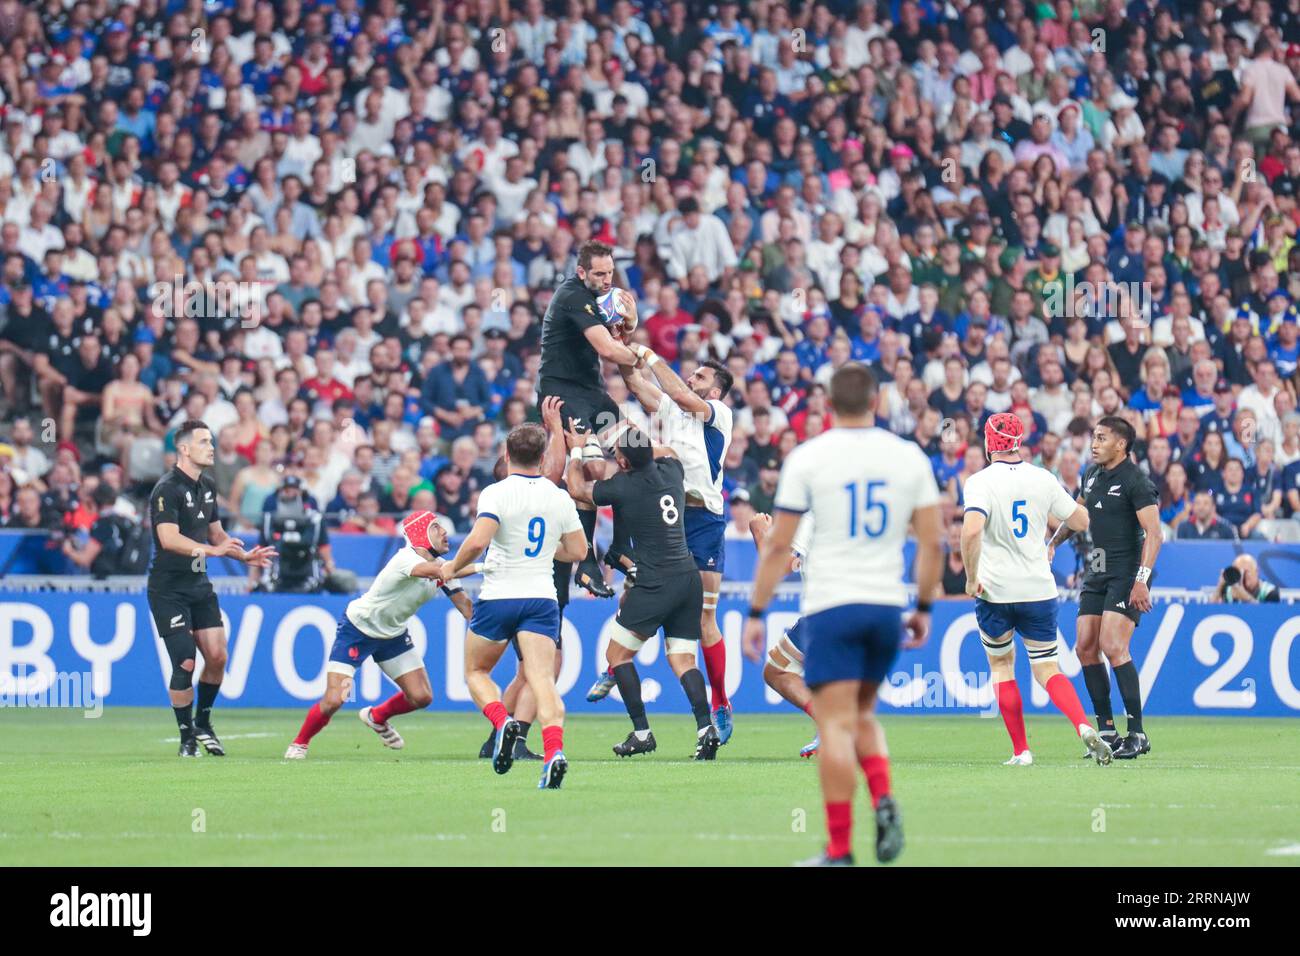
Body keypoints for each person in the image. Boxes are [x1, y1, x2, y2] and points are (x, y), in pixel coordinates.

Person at [743, 364, 943, 866]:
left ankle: (838, 849)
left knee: (834, 727)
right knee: (863, 715)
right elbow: (932, 543)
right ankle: (884, 800)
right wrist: (921, 607)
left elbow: (780, 547)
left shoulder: (809, 459)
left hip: (831, 608)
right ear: (877, 401)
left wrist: (755, 610)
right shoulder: (908, 457)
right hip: (883, 608)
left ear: (828, 403)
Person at [588, 343, 737, 741]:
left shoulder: (718, 414)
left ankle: (720, 700)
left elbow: (680, 394)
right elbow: (637, 384)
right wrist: (620, 350)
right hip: (671, 513)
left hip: (704, 517)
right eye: (693, 374)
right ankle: (616, 664)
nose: (692, 378)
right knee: (634, 589)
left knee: (705, 617)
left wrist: (649, 354)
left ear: (717, 391)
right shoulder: (674, 408)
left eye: (701, 377)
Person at [436, 422, 588, 789]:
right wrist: (547, 549)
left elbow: (477, 541)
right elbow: (580, 551)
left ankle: (502, 721)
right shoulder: (558, 497)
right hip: (540, 597)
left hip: (500, 595)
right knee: (542, 679)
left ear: (506, 455)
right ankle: (553, 752)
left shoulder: (496, 493)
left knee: (476, 671)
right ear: (541, 457)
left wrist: (450, 567)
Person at [959, 413, 1111, 766]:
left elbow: (970, 532)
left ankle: (1021, 751)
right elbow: (1080, 520)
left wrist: (970, 578)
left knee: (1002, 667)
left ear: (989, 443)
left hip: (995, 591)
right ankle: (1084, 727)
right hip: (1039, 589)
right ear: (1018, 441)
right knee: (1047, 669)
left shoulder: (979, 482)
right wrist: (1051, 539)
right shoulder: (1043, 478)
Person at [563, 421, 721, 759]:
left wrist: (577, 448)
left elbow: (577, 489)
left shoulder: (624, 486)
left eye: (617, 454)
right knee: (682, 659)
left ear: (622, 462)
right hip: (687, 576)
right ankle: (706, 729)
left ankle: (642, 732)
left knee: (616, 656)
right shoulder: (672, 469)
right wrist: (637, 440)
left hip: (655, 581)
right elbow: (665, 450)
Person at [284, 511, 474, 758]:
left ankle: (377, 717)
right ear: (421, 533)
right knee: (335, 699)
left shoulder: (442, 570)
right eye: (437, 527)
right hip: (357, 631)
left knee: (422, 696)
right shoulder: (406, 559)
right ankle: (300, 743)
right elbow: (441, 572)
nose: (445, 532)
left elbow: (467, 609)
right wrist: (488, 565)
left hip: (393, 635)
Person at [146, 420, 277, 757]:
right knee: (186, 662)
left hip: (198, 584)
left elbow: (216, 534)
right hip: (168, 589)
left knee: (218, 656)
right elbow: (168, 538)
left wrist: (242, 554)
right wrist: (213, 551)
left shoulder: (207, 486)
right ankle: (186, 736)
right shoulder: (167, 489)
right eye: (204, 441)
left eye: (212, 441)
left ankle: (203, 722)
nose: (212, 447)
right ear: (184, 449)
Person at [1048, 416, 1162, 761]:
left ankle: (1138, 733)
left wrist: (1142, 580)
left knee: (1113, 646)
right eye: (1093, 438)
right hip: (1097, 569)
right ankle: (1108, 731)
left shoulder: (1136, 480)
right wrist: (1052, 544)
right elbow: (1077, 515)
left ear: (1121, 444)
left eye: (1101, 438)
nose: (1094, 444)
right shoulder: (1092, 474)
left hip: (1127, 572)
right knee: (1085, 647)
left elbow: (1155, 534)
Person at [536, 239, 641, 601]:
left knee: (640, 454)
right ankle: (586, 563)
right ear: (581, 272)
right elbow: (610, 350)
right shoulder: (572, 296)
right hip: (562, 393)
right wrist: (643, 357)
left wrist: (630, 321)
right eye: (599, 273)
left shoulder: (598, 297)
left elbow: (618, 335)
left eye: (610, 272)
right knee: (594, 467)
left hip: (592, 392)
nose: (607, 279)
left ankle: (620, 548)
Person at [744, 511, 819, 758]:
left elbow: (779, 569)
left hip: (826, 609)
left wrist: (760, 533)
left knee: (777, 670)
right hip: (873, 606)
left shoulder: (815, 513)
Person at [1213, 554, 1281, 604]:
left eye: (1246, 572)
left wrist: (1246, 597)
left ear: (1257, 571)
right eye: (1239, 573)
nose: (1242, 576)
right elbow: (1209, 612)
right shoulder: (1228, 589)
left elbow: (1269, 616)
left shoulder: (1269, 592)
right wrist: (1220, 586)